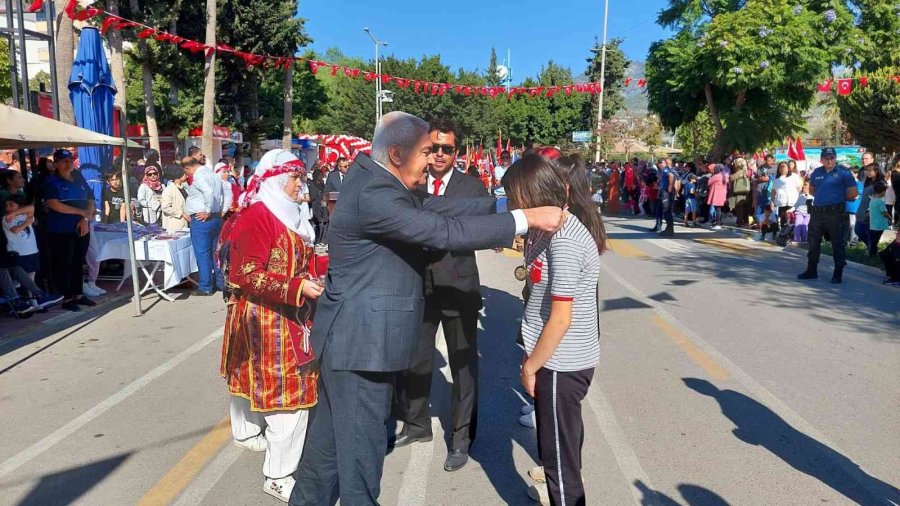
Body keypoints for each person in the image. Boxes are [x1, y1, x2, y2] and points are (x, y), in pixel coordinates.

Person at [289, 112, 564, 506]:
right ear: (397, 153)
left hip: (351, 344)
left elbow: (445, 209)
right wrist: (525, 219)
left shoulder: (381, 179)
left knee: (325, 458)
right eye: (425, 151)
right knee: (360, 470)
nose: (433, 157)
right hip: (361, 348)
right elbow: (441, 230)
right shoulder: (375, 193)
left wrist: (507, 204)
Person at [502, 154, 605, 506]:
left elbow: (561, 318)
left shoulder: (566, 242)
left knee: (560, 466)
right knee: (559, 444)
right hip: (555, 357)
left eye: (516, 203)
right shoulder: (549, 230)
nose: (515, 211)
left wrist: (531, 366)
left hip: (561, 361)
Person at [222, 149, 324, 502]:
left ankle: (247, 432)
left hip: (287, 313)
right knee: (288, 399)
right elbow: (245, 272)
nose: (302, 185)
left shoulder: (289, 212)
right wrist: (297, 286)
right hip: (265, 317)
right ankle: (279, 475)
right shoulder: (257, 216)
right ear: (279, 180)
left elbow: (300, 258)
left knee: (250, 377)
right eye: (296, 178)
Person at [393, 119, 487, 472]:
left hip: (458, 288)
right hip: (418, 286)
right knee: (416, 360)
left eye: (447, 149)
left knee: (464, 367)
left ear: (457, 153)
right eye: (434, 147)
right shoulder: (409, 184)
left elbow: (482, 233)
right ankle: (416, 425)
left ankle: (461, 439)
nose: (440, 155)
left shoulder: (473, 189)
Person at [42, 149, 96, 311]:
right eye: (64, 161)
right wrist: (81, 213)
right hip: (61, 230)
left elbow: (90, 198)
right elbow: (54, 204)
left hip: (82, 227)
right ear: (56, 163)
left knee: (78, 262)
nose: (68, 163)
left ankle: (78, 294)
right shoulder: (50, 181)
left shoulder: (78, 177)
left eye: (70, 160)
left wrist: (85, 218)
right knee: (64, 263)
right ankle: (66, 298)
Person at [798, 147, 859, 284]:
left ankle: (837, 274)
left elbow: (853, 193)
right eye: (826, 158)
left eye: (832, 158)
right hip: (818, 212)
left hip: (835, 213)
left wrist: (836, 198)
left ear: (835, 159)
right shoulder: (817, 172)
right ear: (822, 159)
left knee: (837, 244)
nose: (829, 160)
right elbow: (813, 190)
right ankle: (811, 270)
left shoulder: (844, 173)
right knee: (813, 243)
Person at [182, 156, 224, 295]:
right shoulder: (214, 175)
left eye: (186, 171)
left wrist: (207, 211)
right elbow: (222, 194)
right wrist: (218, 210)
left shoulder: (199, 177)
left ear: (188, 168)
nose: (186, 175)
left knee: (202, 254)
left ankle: (205, 286)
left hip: (202, 220)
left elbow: (209, 192)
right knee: (215, 253)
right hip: (216, 218)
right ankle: (219, 282)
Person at [772, 162, 801, 228]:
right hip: (781, 202)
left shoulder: (794, 176)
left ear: (788, 168)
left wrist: (797, 197)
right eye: (780, 167)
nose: (782, 168)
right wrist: (772, 201)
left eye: (783, 166)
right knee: (783, 220)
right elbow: (773, 191)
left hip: (792, 202)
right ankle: (783, 234)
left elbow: (799, 188)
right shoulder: (776, 179)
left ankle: (791, 234)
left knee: (791, 220)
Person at [160, 168, 190, 232]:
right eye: (185, 174)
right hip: (175, 224)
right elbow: (165, 207)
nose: (187, 176)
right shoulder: (169, 190)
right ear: (179, 176)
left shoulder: (183, 188)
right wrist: (181, 213)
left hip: (185, 223)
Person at [867, 181, 891, 257]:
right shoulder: (880, 202)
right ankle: (874, 254)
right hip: (880, 226)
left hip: (873, 225)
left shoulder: (872, 201)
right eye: (885, 192)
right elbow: (884, 213)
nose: (885, 193)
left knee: (873, 241)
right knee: (876, 241)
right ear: (882, 192)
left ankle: (871, 253)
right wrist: (890, 218)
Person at [729, 158, 752, 227]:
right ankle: (744, 221)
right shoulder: (745, 171)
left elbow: (731, 178)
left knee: (739, 207)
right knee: (743, 207)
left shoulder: (741, 171)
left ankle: (740, 221)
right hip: (743, 192)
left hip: (739, 192)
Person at [845, 167, 865, 245]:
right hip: (847, 208)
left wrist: (847, 195)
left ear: (856, 174)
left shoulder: (859, 184)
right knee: (847, 226)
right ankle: (847, 241)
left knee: (852, 226)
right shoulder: (848, 183)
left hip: (854, 208)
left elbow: (855, 196)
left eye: (851, 173)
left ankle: (853, 242)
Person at [706, 164, 727, 229]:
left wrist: (710, 177)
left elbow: (709, 183)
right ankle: (719, 222)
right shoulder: (724, 175)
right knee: (719, 209)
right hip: (722, 194)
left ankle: (718, 223)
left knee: (717, 209)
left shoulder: (716, 176)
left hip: (716, 194)